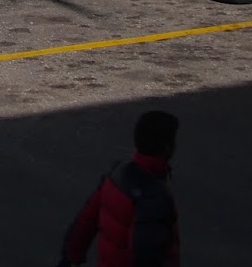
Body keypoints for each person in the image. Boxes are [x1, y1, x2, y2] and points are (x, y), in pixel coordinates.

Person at [57, 111, 181, 267]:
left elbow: (87, 220)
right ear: (167, 148)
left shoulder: (116, 174)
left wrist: (70, 257)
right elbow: (146, 254)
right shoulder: (154, 196)